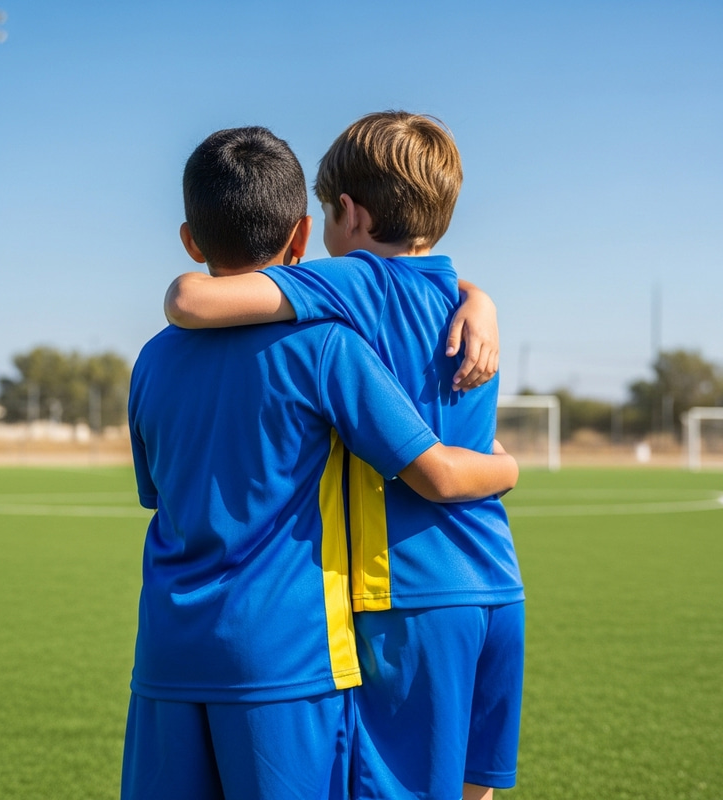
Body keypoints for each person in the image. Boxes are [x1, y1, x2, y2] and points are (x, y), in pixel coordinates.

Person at [124, 125, 519, 800]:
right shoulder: (429, 309)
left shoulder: (159, 359)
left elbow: (190, 303)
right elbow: (442, 468)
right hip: (478, 583)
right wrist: (509, 461)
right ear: (300, 235)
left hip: (369, 605)